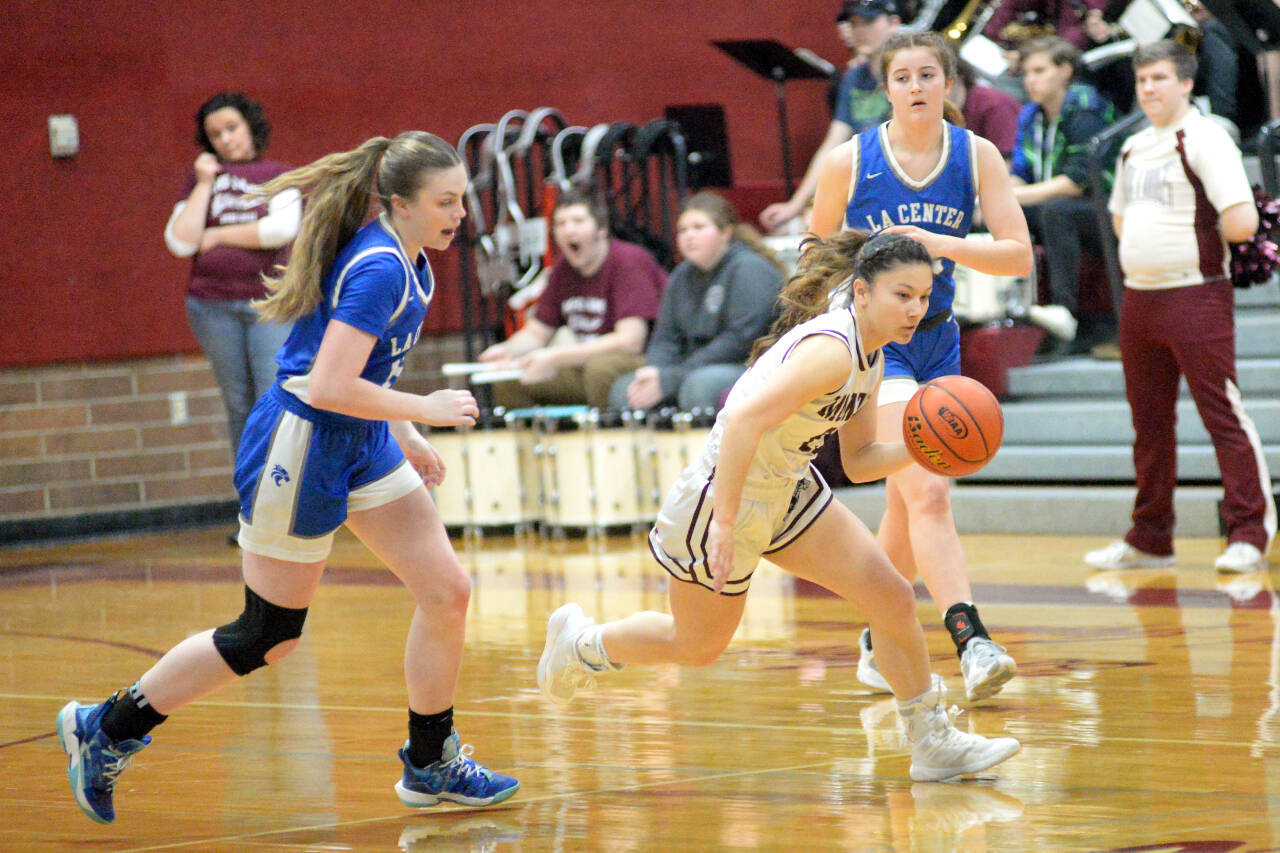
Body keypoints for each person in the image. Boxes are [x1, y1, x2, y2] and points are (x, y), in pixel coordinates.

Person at [57, 132, 520, 825]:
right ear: (399, 202)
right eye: (444, 200)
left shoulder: (412, 256)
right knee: (268, 634)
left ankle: (430, 762)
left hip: (359, 436)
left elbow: (366, 372)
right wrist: (421, 407)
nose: (460, 212)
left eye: (462, 198)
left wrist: (403, 431)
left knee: (447, 590)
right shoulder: (379, 268)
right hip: (301, 441)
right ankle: (109, 724)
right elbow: (330, 381)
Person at [538, 230, 1022, 783]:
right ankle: (583, 644)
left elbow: (861, 461)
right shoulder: (832, 351)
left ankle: (931, 741)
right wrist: (722, 522)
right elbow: (743, 419)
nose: (916, 308)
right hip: (727, 492)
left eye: (923, 296)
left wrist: (920, 449)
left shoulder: (873, 357)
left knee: (889, 594)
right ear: (862, 293)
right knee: (697, 645)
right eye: (902, 294)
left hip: (788, 486)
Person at [808, 31, 1034, 702]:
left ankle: (878, 639)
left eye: (926, 74)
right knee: (928, 489)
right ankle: (972, 639)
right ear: (886, 88)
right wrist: (837, 323)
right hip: (878, 348)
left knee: (907, 507)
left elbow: (1018, 253)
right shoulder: (851, 160)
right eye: (901, 76)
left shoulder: (976, 155)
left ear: (948, 83)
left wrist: (943, 243)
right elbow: (815, 252)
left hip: (940, 337)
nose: (914, 86)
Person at [1084, 40, 1276, 575]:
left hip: (1196, 293)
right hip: (1140, 299)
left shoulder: (1208, 139)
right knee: (1149, 424)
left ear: (1187, 83)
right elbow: (1121, 220)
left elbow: (1242, 222)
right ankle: (1149, 537)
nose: (1148, 89)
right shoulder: (1133, 147)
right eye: (1142, 80)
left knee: (1222, 414)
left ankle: (1249, 532)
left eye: (1160, 79)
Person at [165, 93, 301, 516]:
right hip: (212, 306)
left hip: (268, 304)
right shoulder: (201, 181)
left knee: (271, 400)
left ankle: (281, 505)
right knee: (238, 405)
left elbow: (281, 229)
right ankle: (252, 509)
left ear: (250, 126)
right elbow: (180, 241)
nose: (225, 139)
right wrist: (205, 183)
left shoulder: (278, 175)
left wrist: (220, 235)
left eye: (232, 128)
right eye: (214, 134)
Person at [477, 188, 665, 409]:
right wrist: (507, 351)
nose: (569, 230)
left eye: (578, 221)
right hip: (585, 363)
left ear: (601, 230)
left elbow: (630, 341)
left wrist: (555, 356)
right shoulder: (562, 270)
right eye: (561, 223)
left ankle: (605, 439)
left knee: (600, 369)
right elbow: (537, 333)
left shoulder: (628, 262)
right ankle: (534, 441)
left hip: (643, 362)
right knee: (509, 378)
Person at [609, 192, 786, 413]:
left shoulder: (749, 269)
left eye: (698, 227)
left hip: (750, 365)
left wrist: (673, 376)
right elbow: (665, 338)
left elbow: (739, 342)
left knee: (699, 387)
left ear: (726, 232)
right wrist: (655, 372)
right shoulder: (680, 276)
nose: (688, 235)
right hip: (691, 367)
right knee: (625, 390)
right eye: (683, 230)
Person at [1009, 37, 1119, 357]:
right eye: (1027, 73)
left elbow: (1076, 181)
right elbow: (1021, 168)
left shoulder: (1086, 109)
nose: (1031, 80)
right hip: (1053, 204)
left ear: (1065, 71)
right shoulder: (1031, 115)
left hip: (1106, 207)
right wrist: (1006, 196)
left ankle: (1064, 315)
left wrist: (1017, 195)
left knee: (1057, 211)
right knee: (1003, 216)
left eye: (1040, 71)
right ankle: (1016, 318)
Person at [758, 0, 900, 233]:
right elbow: (832, 145)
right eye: (853, 24)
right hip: (867, 188)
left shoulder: (911, 73)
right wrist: (795, 205)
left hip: (905, 188)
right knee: (791, 228)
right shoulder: (854, 78)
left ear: (893, 23)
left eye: (868, 22)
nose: (859, 31)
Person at [950, 59, 1022, 160]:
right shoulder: (934, 111)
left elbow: (1006, 164)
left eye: (927, 76)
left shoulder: (994, 104)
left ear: (956, 78)